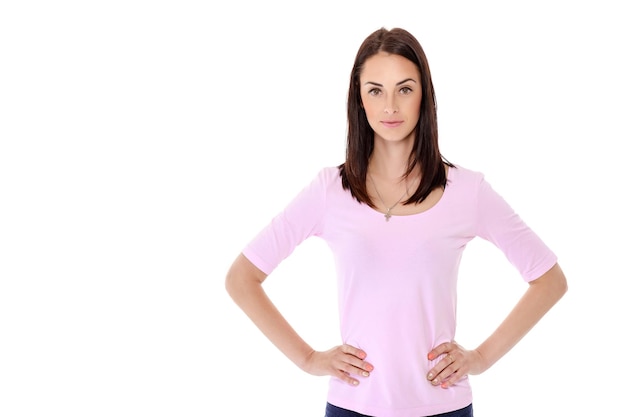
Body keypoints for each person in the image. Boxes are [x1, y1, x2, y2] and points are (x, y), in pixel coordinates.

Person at [225, 26, 567, 417]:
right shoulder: (328, 190)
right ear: (360, 99)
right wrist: (307, 359)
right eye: (375, 90)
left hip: (444, 407)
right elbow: (241, 278)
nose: (390, 106)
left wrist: (482, 357)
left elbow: (549, 279)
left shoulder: (467, 191)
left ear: (424, 95)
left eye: (404, 89)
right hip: (351, 406)